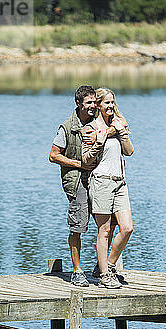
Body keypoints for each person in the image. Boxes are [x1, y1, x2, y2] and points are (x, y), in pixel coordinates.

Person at [81, 88, 134, 289]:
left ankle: (109, 265)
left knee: (127, 227)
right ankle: (104, 275)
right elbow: (86, 160)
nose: (111, 106)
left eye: (113, 102)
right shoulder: (91, 128)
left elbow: (129, 152)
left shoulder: (118, 123)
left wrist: (122, 132)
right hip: (101, 181)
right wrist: (99, 142)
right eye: (107, 103)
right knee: (104, 231)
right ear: (99, 105)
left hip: (120, 182)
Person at [48, 85, 97, 287]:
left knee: (109, 223)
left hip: (98, 180)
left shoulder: (99, 121)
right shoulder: (67, 127)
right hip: (76, 182)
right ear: (78, 103)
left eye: (95, 102)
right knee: (77, 227)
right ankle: (77, 271)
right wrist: (79, 164)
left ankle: (102, 266)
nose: (93, 106)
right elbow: (53, 156)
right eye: (89, 103)